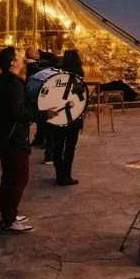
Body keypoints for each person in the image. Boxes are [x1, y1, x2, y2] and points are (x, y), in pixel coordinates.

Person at [0, 46, 60, 233]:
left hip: (4, 136)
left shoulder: (1, 81)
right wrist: (44, 115)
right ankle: (9, 220)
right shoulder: (13, 83)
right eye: (18, 56)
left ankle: (9, 213)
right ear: (12, 62)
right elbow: (18, 112)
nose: (22, 58)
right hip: (14, 138)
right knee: (18, 177)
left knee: (10, 177)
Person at [51, 49, 86, 186]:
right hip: (72, 116)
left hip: (57, 115)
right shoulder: (76, 76)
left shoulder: (57, 75)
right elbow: (80, 98)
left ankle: (59, 174)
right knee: (70, 147)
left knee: (58, 146)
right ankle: (66, 175)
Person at [25, 47, 60, 160]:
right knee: (40, 115)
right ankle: (40, 138)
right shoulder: (34, 62)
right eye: (29, 58)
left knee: (46, 117)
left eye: (31, 57)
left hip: (47, 91)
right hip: (38, 90)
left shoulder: (49, 58)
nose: (30, 59)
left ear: (36, 53)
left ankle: (45, 141)